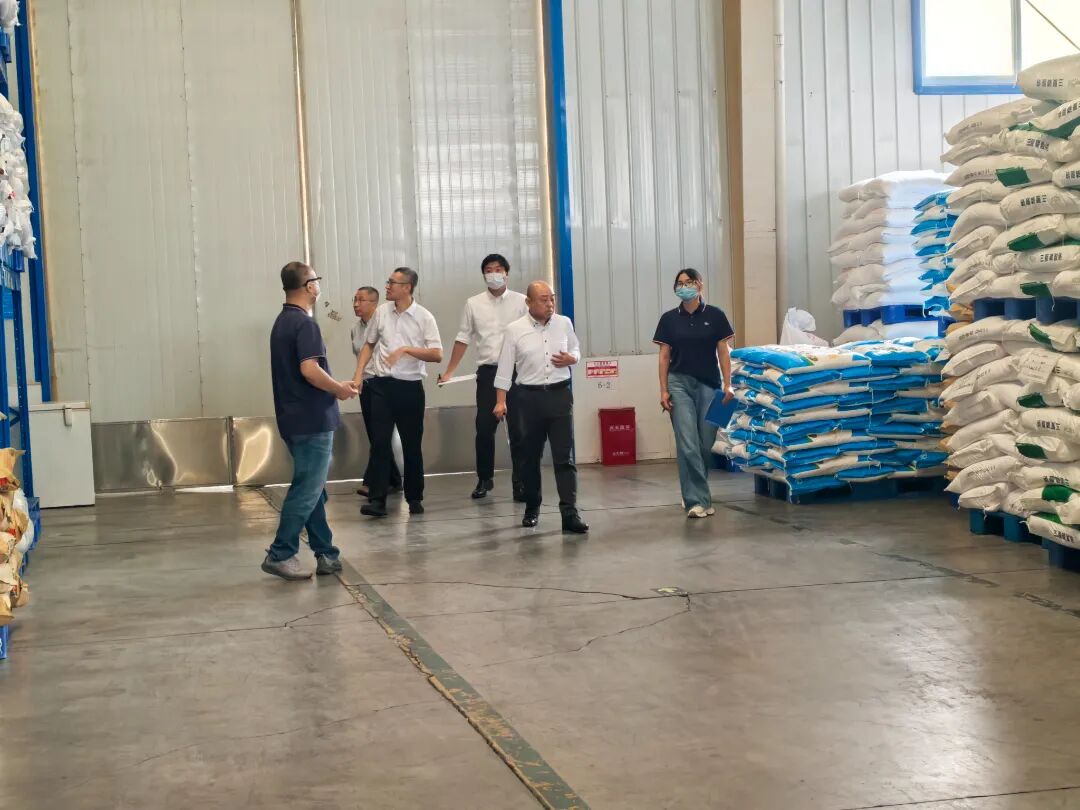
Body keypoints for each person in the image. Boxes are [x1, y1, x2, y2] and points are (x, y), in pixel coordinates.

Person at [263, 261, 358, 580]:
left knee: (313, 488)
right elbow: (310, 370)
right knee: (307, 489)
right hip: (312, 420)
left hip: (293, 418)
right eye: (316, 280)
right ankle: (281, 553)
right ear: (308, 286)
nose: (319, 285)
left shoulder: (282, 322)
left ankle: (326, 553)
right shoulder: (305, 324)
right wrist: (339, 389)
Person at [493, 281, 588, 534]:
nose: (550, 304)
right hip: (528, 399)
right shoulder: (514, 330)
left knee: (564, 458)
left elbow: (576, 348)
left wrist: (573, 358)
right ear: (529, 302)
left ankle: (570, 513)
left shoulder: (564, 323)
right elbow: (505, 368)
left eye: (552, 298)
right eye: (543, 299)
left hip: (559, 396)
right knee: (529, 457)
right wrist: (501, 401)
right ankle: (532, 507)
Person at [354, 267, 443, 518]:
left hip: (409, 388)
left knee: (411, 444)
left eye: (392, 283)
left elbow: (436, 354)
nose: (387, 286)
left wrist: (406, 349)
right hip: (381, 386)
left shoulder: (424, 317)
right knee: (379, 444)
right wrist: (358, 374)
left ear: (407, 287)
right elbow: (369, 344)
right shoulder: (382, 312)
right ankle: (377, 500)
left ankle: (414, 497)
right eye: (388, 281)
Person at [440, 253, 528, 501]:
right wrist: (449, 371)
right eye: (488, 270)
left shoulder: (522, 302)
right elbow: (463, 338)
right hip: (488, 373)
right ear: (483, 275)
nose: (493, 274)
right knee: (484, 429)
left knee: (519, 430)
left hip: (517, 373)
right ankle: (484, 479)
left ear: (507, 273)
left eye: (498, 269)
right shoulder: (473, 303)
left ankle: (521, 482)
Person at [653, 268, 735, 519]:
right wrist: (663, 389)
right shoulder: (669, 319)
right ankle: (698, 501)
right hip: (678, 383)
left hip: (709, 384)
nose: (684, 286)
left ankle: (692, 490)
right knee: (687, 442)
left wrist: (728, 384)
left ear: (700, 285)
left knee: (704, 444)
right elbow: (664, 356)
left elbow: (723, 351)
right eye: (679, 283)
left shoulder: (716, 315)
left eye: (689, 282)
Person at [351, 286, 402, 496]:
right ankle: (393, 479)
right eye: (354, 300)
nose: (356, 304)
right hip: (366, 383)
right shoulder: (355, 329)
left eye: (361, 300)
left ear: (374, 303)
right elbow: (359, 357)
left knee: (381, 435)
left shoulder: (385, 324)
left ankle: (372, 481)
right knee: (375, 435)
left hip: (384, 383)